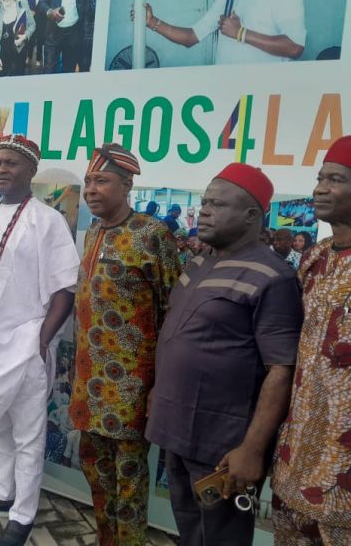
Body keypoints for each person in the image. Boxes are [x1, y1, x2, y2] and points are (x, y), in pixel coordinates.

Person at [145, 163, 303, 545]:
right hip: (177, 427)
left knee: (222, 536)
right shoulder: (199, 262)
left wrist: (252, 448)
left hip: (222, 444)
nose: (204, 211)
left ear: (251, 215)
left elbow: (282, 369)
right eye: (204, 202)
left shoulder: (273, 277)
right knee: (189, 530)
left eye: (218, 204)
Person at [0, 135, 80, 546]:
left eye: (10, 163)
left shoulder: (48, 221)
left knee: (28, 434)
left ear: (31, 170)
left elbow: (65, 288)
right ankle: (1, 493)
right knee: (2, 428)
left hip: (26, 347)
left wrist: (41, 340)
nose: (1, 169)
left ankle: (23, 514)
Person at [70, 144, 180, 546]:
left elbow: (172, 313)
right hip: (89, 386)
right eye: (88, 182)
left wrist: (160, 386)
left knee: (129, 481)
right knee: (95, 471)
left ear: (127, 185)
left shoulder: (153, 235)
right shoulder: (93, 232)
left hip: (131, 389)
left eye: (101, 181)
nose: (91, 190)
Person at [271, 136, 351, 546]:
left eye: (335, 179)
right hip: (299, 448)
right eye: (320, 178)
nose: (320, 188)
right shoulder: (314, 258)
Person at [140, 0, 305, 65]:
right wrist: (152, 22)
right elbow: (191, 37)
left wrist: (240, 33)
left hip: (262, 97)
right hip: (226, 93)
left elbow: (295, 48)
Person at [37, 0, 94, 74]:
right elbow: (42, 2)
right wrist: (50, 12)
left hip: (74, 33)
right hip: (53, 33)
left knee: (69, 72)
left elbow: (88, 1)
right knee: (49, 72)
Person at [79, 0, 98, 72]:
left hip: (86, 30)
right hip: (87, 31)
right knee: (85, 61)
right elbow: (93, 8)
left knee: (85, 61)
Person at [29, 0, 47, 67]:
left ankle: (38, 59)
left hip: (41, 17)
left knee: (40, 38)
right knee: (31, 37)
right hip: (33, 16)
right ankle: (29, 56)